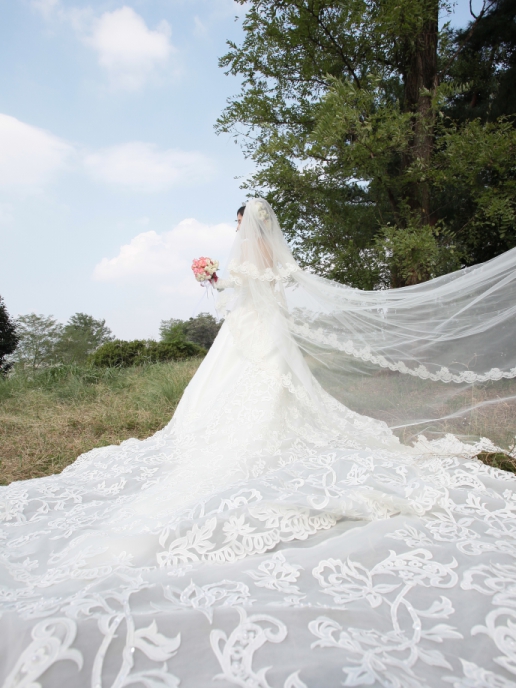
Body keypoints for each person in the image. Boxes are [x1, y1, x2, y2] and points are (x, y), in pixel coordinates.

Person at [1, 198, 516, 687]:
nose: (239, 231)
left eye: (241, 223)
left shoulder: (249, 260)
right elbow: (262, 290)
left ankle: (248, 435)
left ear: (251, 224)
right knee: (257, 387)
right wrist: (219, 279)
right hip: (257, 331)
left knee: (265, 389)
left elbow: (242, 290)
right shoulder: (272, 258)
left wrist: (212, 277)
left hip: (255, 331)